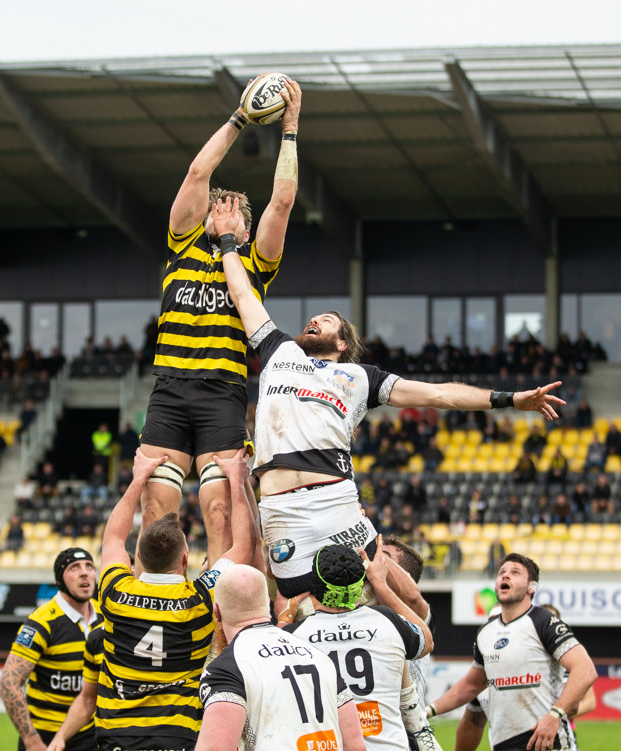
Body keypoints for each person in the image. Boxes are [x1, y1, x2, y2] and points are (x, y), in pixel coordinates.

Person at [212, 197, 564, 604]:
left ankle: (419, 646)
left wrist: (509, 399)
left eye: (328, 319)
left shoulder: (361, 378)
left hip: (333, 497)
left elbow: (440, 394)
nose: (316, 320)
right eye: (315, 317)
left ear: (342, 342)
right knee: (294, 604)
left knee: (381, 591)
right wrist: (226, 241)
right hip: (278, 507)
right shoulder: (278, 351)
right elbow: (242, 294)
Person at [137, 78, 302, 565]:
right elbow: (196, 171)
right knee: (155, 508)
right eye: (218, 209)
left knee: (219, 509)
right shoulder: (182, 245)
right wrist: (239, 118)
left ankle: (219, 620)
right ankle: (154, 600)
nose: (223, 215)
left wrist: (289, 129)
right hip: (169, 388)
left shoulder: (254, 263)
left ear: (247, 230)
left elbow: (284, 201)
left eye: (234, 214)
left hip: (221, 393)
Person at [67, 448, 259, 751]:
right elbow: (243, 546)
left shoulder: (114, 593)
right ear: (186, 560)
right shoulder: (199, 600)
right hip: (179, 747)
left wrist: (139, 476)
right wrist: (235, 476)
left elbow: (112, 539)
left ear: (137, 558)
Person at [172, 563, 367, 751]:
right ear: (265, 602)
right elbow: (356, 747)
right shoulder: (317, 655)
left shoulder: (226, 667)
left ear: (217, 612)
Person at [425, 554, 597, 751]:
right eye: (502, 572)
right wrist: (427, 712)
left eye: (515, 572)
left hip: (543, 750)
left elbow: (586, 670)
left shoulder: (543, 622)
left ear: (531, 588)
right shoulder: (486, 633)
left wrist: (555, 715)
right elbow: (472, 686)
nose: (505, 575)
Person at [286, 545, 437, 751]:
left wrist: (286, 615)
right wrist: (380, 583)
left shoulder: (294, 638)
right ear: (361, 585)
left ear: (315, 587)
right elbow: (426, 640)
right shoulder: (388, 621)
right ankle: (418, 724)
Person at [0, 548, 101, 751]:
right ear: (60, 579)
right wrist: (31, 743)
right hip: (43, 740)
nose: (84, 573)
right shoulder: (42, 621)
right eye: (74, 568)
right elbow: (9, 684)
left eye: (89, 566)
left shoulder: (105, 617)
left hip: (92, 735)